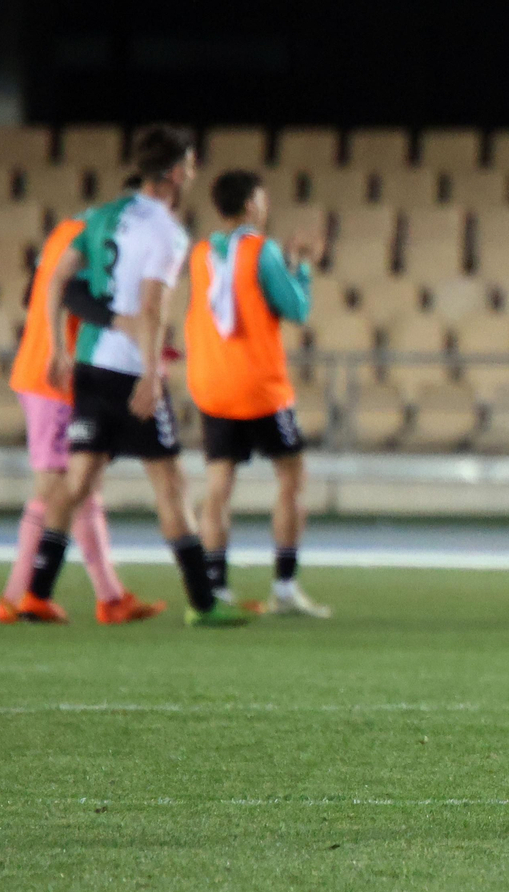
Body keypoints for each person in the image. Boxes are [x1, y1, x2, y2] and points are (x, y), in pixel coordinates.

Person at [22, 124, 249, 627]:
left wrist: (59, 349)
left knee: (78, 480)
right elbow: (151, 308)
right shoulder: (167, 232)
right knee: (170, 483)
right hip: (129, 370)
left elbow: (57, 280)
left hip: (89, 365)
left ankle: (36, 593)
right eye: (190, 164)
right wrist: (151, 374)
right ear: (175, 173)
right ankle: (203, 604)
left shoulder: (101, 216)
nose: (193, 173)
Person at [0, 178, 160, 625]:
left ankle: (109, 598)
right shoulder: (97, 237)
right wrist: (121, 326)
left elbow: (36, 291)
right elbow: (69, 293)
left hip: (52, 372)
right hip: (54, 378)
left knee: (80, 488)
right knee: (57, 490)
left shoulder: (69, 229)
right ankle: (19, 597)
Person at [186, 170, 328, 618]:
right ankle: (284, 587)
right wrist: (301, 266)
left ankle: (216, 589)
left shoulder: (200, 254)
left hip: (213, 384)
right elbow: (296, 309)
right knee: (292, 478)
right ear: (250, 204)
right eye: (262, 198)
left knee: (218, 487)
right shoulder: (261, 251)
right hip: (260, 387)